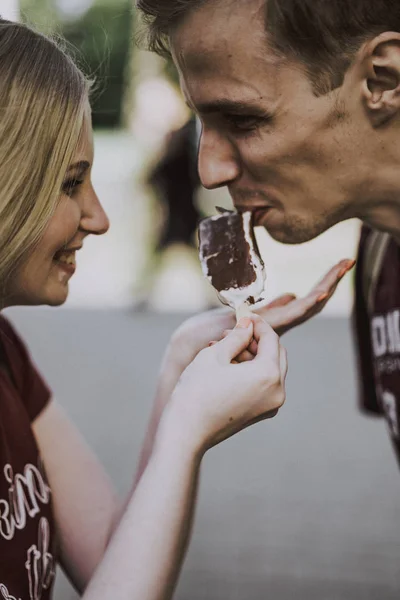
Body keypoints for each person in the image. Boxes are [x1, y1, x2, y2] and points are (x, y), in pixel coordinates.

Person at [0, 17, 350, 600]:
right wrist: (186, 430)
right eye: (71, 183)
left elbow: (118, 558)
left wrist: (178, 373)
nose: (100, 218)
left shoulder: (8, 355)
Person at [136, 0, 400, 466]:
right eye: (201, 123)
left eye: (242, 120)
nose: (209, 170)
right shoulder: (380, 251)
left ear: (383, 80)